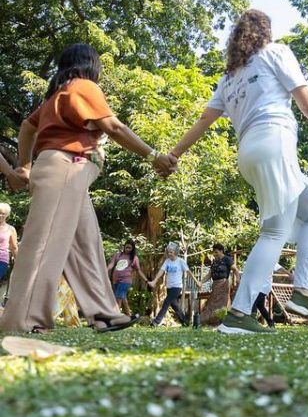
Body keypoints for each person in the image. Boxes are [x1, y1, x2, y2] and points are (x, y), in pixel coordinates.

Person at [166, 9, 308, 334]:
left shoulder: (228, 78)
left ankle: (297, 293)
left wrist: (173, 155)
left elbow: (203, 121)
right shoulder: (275, 52)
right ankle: (254, 310)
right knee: (275, 232)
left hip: (248, 154)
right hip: (273, 142)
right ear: (265, 31)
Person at [0, 43, 177, 334]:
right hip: (67, 168)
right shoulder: (83, 86)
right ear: (90, 65)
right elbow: (115, 128)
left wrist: (26, 165)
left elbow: (26, 127)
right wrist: (154, 156)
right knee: (43, 245)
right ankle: (24, 320)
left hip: (69, 173)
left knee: (86, 246)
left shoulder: (56, 96)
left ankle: (104, 313)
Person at [148, 242, 200, 327]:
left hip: (177, 286)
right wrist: (154, 281)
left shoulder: (180, 261)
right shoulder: (167, 261)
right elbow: (161, 271)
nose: (169, 254)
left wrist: (196, 281)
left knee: (166, 302)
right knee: (174, 305)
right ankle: (185, 322)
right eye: (168, 252)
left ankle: (156, 322)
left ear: (176, 252)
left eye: (171, 252)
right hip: (169, 287)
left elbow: (188, 272)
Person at [199, 243, 240, 326]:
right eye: (213, 252)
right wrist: (201, 282)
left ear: (221, 251)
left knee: (222, 304)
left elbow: (235, 269)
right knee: (212, 303)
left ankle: (223, 322)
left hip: (223, 284)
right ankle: (209, 321)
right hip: (215, 285)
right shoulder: (214, 262)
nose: (214, 254)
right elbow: (209, 274)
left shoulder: (227, 259)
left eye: (216, 252)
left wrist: (238, 280)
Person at [107, 239, 148, 316]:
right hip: (116, 280)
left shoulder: (134, 258)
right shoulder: (118, 255)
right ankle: (129, 316)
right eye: (126, 247)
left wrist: (146, 280)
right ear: (124, 246)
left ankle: (115, 318)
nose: (128, 249)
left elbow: (138, 270)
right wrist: (106, 270)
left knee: (118, 299)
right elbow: (111, 264)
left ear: (132, 249)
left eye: (129, 248)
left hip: (125, 281)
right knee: (123, 298)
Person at [252, 263, 293, 328]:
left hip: (263, 286)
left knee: (253, 302)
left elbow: (280, 268)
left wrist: (289, 274)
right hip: (259, 286)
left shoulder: (269, 259)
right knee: (260, 306)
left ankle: (253, 322)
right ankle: (270, 323)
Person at [0, 203, 18, 282]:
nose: (0, 215)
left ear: (7, 215)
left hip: (2, 260)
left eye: (3, 213)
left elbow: (14, 247)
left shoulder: (10, 229)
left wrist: (18, 262)